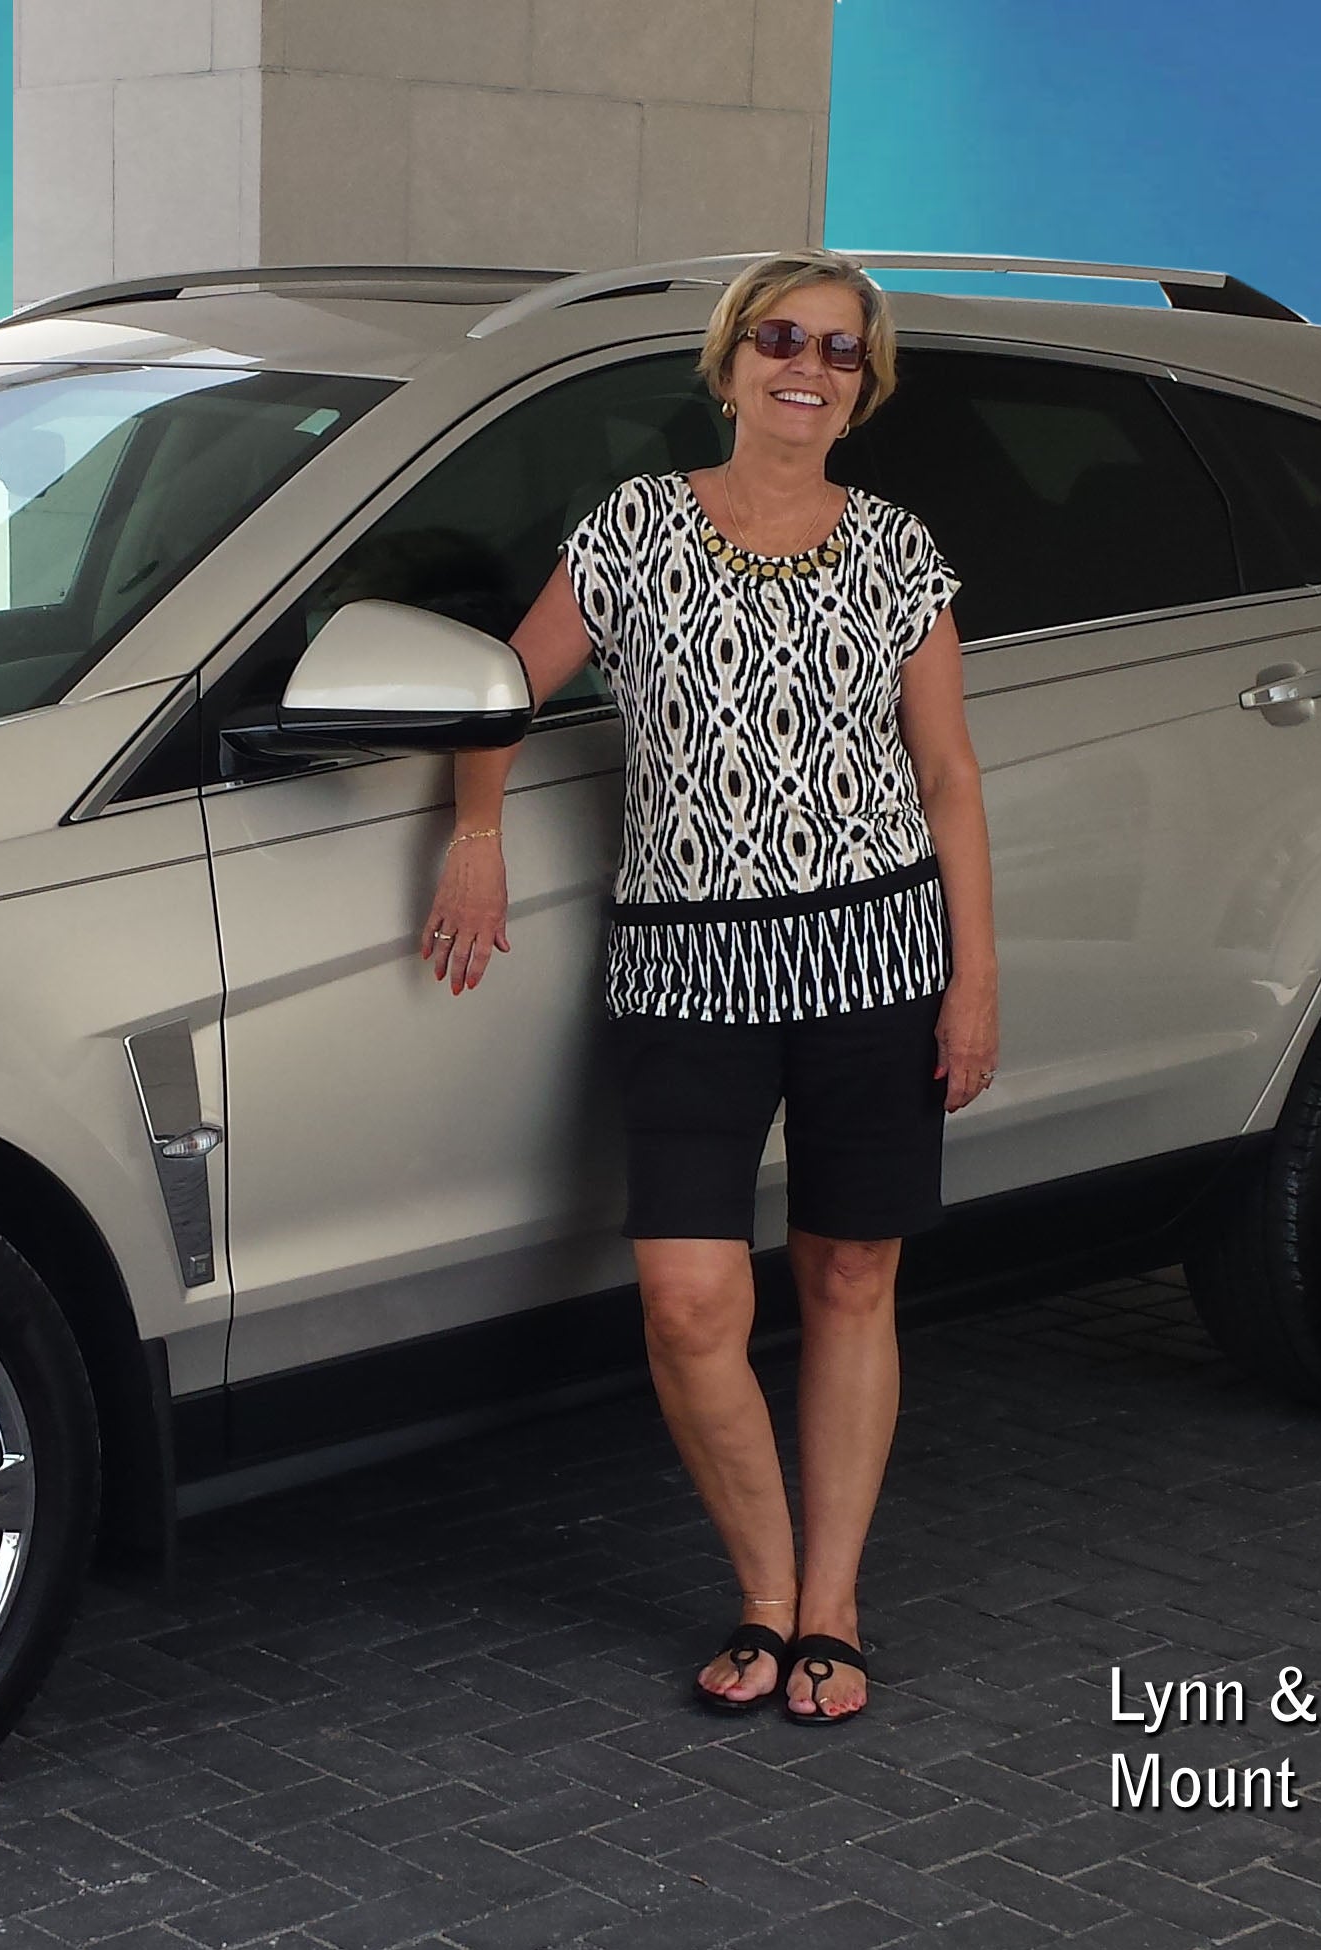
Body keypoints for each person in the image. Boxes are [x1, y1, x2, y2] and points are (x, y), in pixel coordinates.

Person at [418, 252, 1001, 1726]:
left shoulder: (898, 552)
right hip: (687, 969)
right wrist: (473, 828)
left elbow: (946, 776)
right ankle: (760, 1582)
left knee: (852, 1274)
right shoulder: (633, 529)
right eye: (781, 338)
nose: (809, 365)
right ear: (730, 359)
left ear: (865, 389)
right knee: (687, 1301)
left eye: (842, 351)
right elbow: (502, 683)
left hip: (876, 960)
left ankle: (831, 1606)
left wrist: (975, 977)